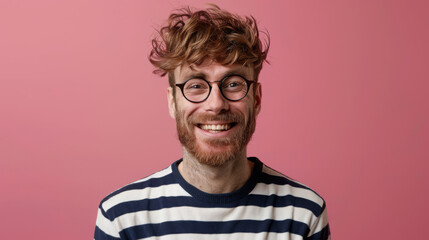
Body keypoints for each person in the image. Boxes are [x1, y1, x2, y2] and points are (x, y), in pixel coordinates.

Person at [94, 5, 330, 240]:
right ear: (173, 102)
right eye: (196, 85)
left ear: (256, 99)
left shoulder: (304, 215)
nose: (216, 104)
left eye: (233, 84)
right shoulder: (121, 219)